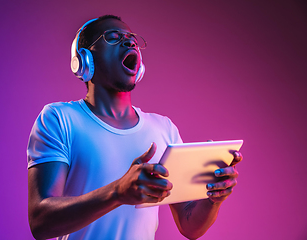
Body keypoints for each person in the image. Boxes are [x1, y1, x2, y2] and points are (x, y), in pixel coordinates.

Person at [27, 15, 243, 240]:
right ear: (85, 60)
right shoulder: (59, 119)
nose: (129, 42)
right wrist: (118, 192)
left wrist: (213, 198)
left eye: (132, 39)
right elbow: (40, 222)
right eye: (113, 37)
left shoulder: (164, 128)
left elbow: (190, 226)